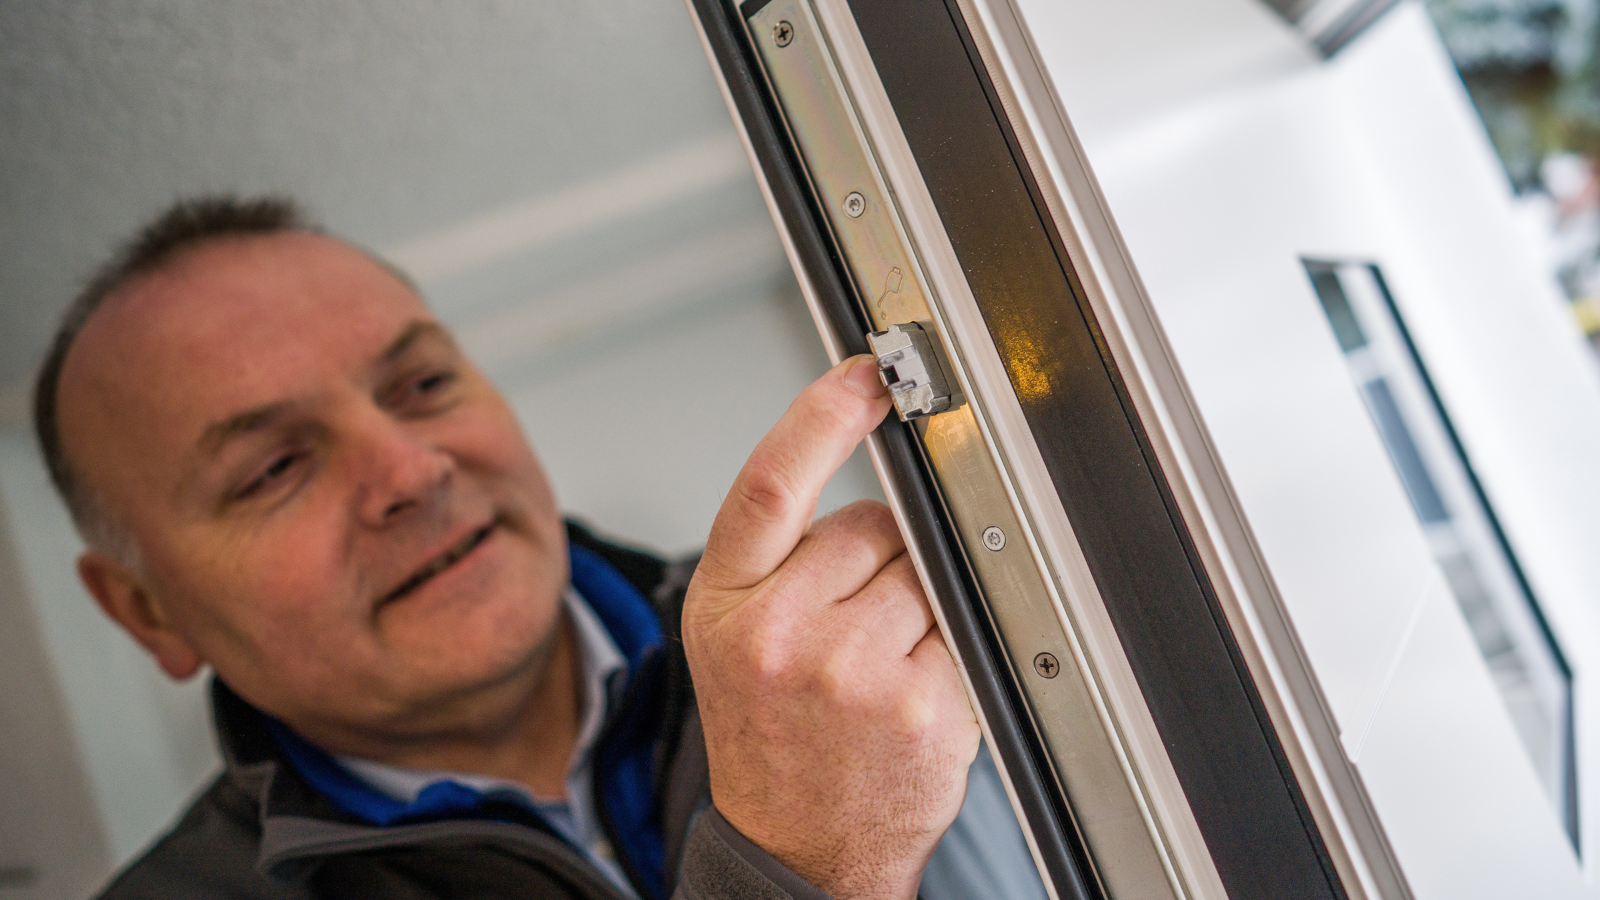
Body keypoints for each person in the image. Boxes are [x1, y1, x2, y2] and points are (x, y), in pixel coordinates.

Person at [33, 196, 1044, 900]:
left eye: (422, 386)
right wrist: (807, 869)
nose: (412, 471)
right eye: (272, 469)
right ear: (146, 610)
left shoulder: (890, 647)